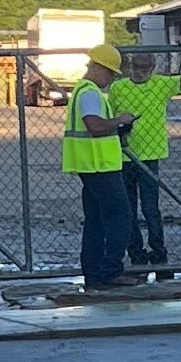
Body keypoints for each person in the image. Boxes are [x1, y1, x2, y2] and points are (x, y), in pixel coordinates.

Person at [64, 41, 132, 290]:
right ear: (99, 68)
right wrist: (120, 121)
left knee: (95, 221)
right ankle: (111, 271)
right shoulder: (91, 93)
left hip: (89, 166)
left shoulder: (81, 91)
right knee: (120, 216)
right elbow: (94, 126)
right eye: (111, 74)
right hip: (100, 166)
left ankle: (93, 274)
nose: (111, 79)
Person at [109, 48, 178, 280]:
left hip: (150, 156)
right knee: (128, 209)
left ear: (152, 67)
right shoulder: (119, 88)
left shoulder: (160, 85)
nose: (138, 72)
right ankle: (137, 255)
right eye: (135, 67)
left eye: (143, 68)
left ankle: (159, 254)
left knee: (150, 209)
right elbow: (110, 115)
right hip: (125, 156)